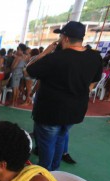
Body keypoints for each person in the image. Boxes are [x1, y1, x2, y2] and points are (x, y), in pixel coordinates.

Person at [25, 21, 103, 171]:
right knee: (61, 138)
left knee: (47, 143)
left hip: (51, 111)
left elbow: (28, 71)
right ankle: (55, 170)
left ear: (66, 38)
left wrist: (44, 52)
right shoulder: (95, 57)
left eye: (61, 36)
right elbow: (94, 81)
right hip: (75, 111)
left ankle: (46, 173)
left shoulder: (55, 58)